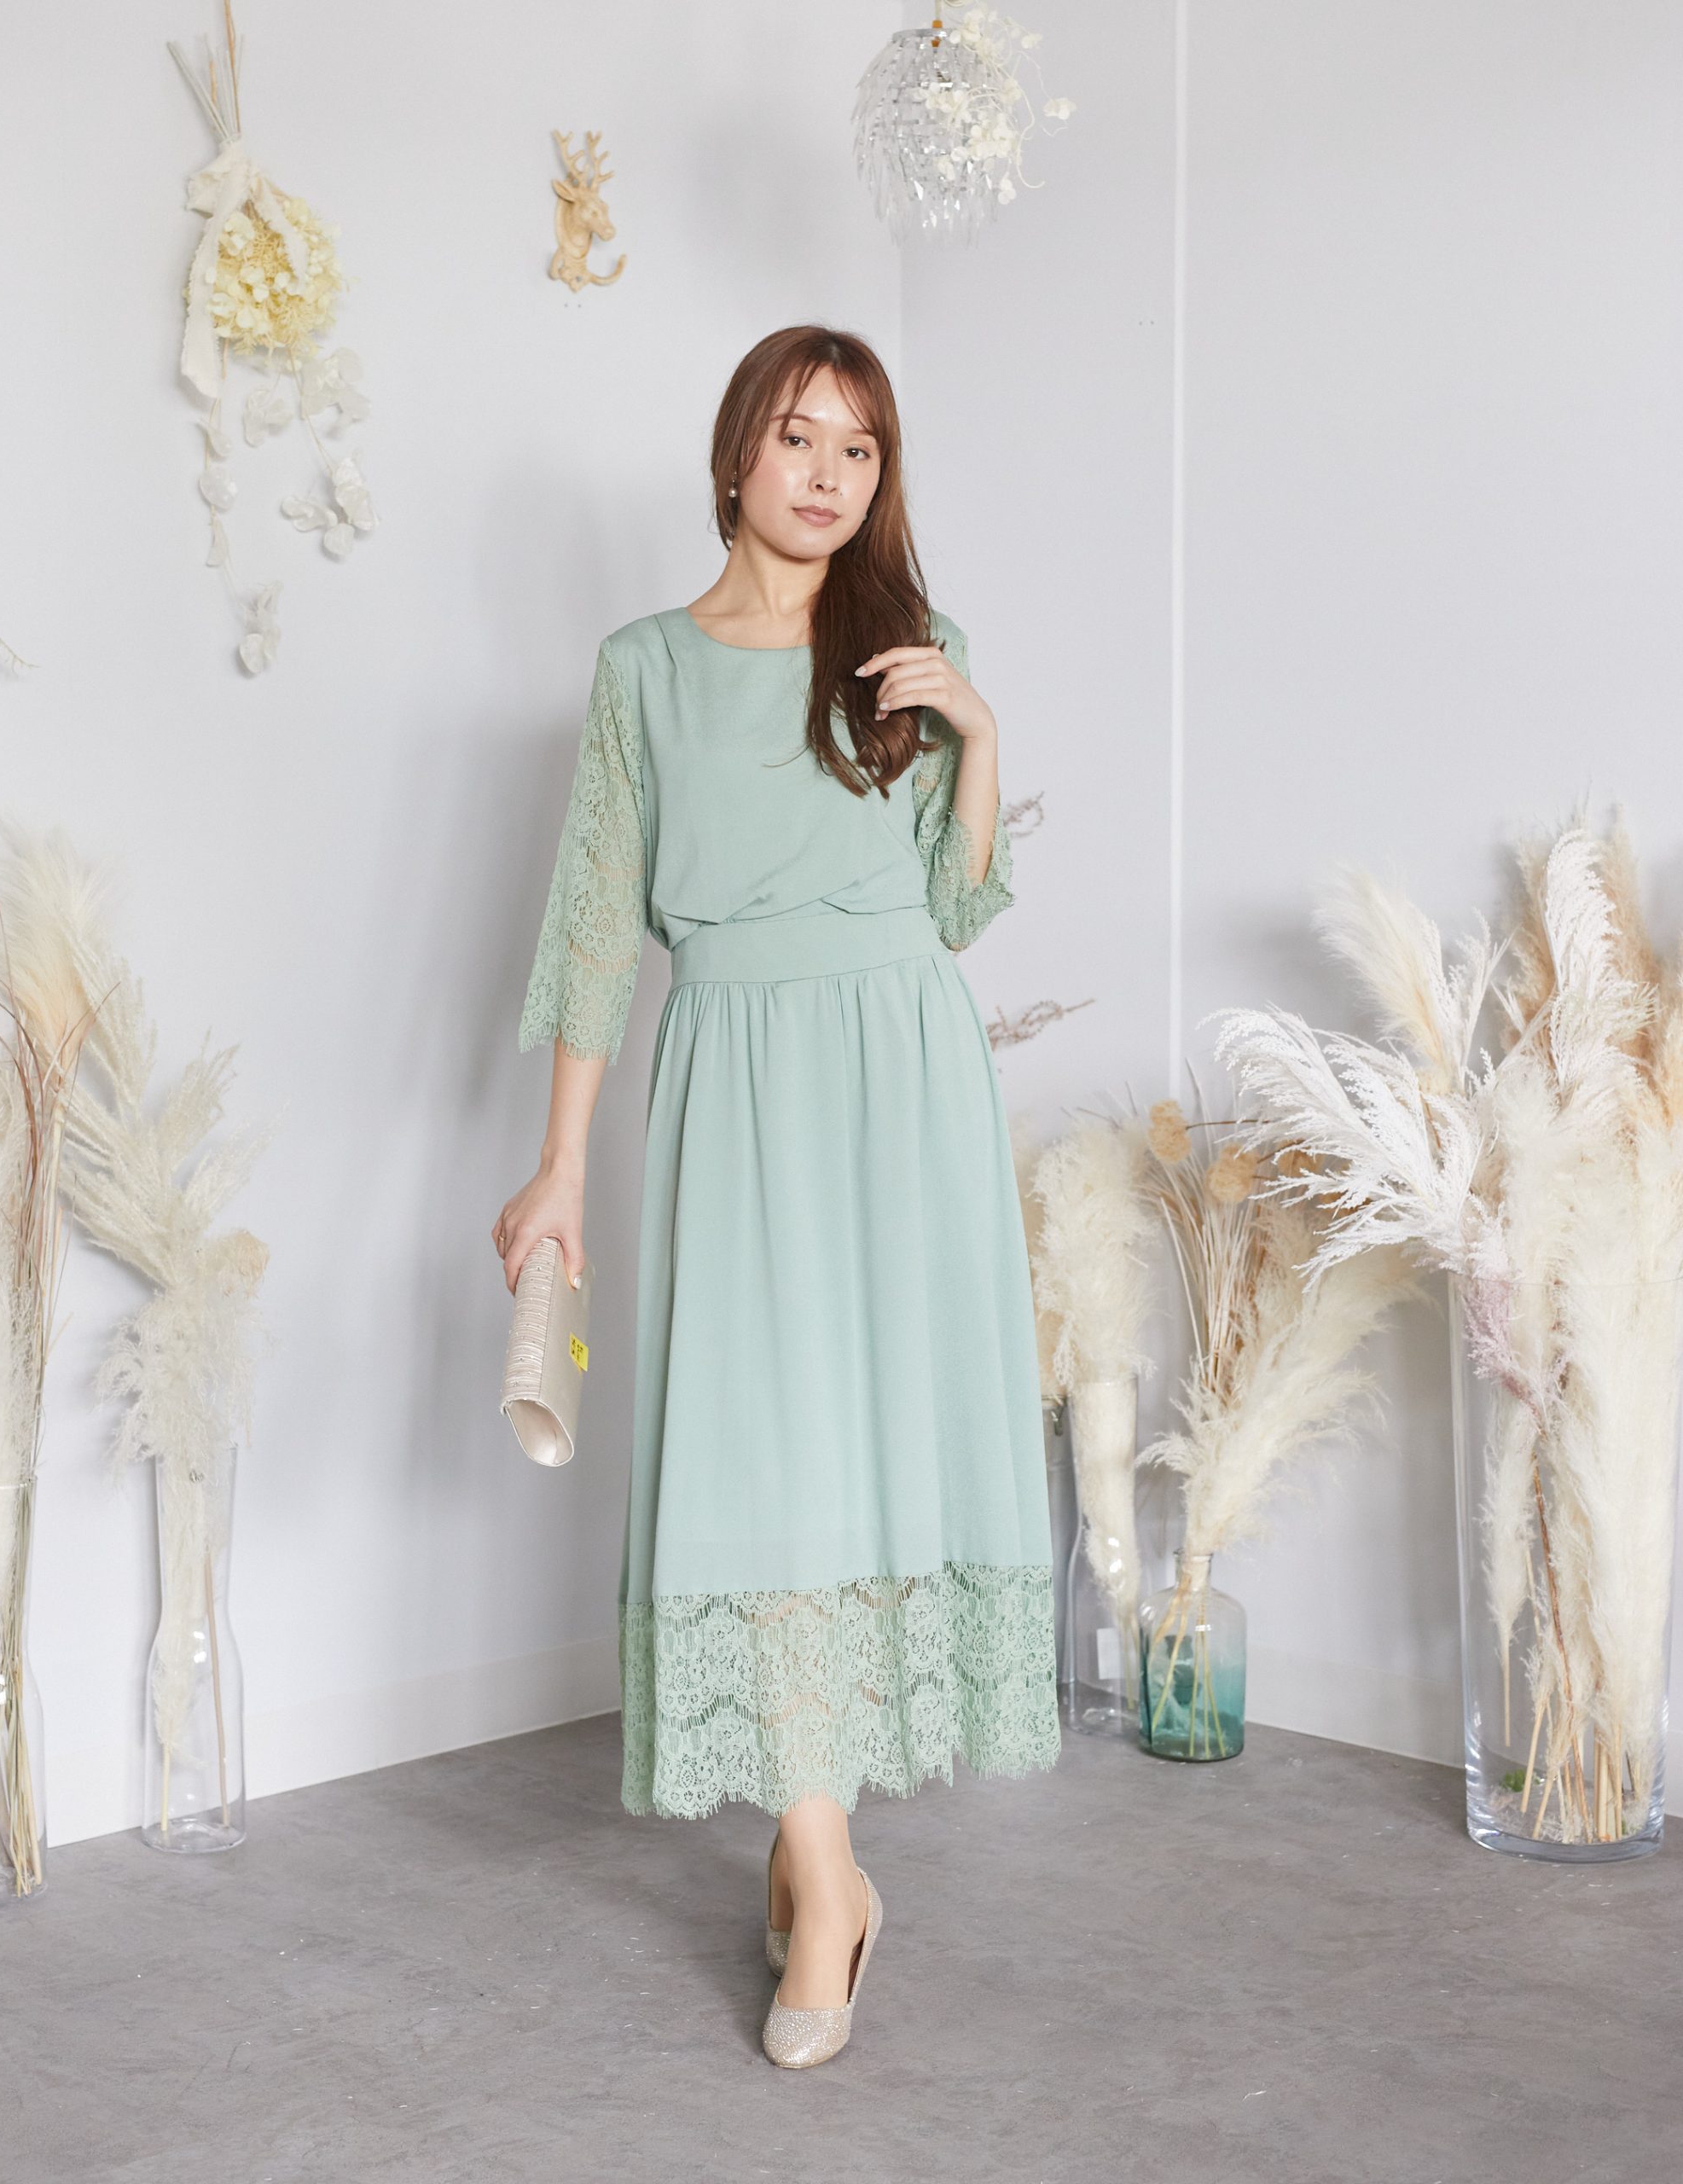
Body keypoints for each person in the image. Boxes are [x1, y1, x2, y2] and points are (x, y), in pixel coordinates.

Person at [493, 324, 1059, 2069]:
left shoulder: (909, 649)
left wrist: (977, 734)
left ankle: (819, 1871)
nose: (827, 475)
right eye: (799, 437)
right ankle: (829, 1871)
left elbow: (956, 912)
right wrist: (559, 1165)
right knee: (759, 1462)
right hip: (734, 1080)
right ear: (736, 452)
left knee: (863, 1456)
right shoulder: (644, 669)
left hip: (905, 1080)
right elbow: (599, 925)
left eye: (860, 449)